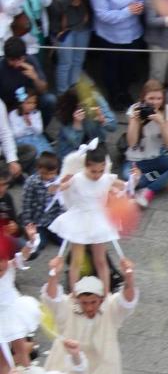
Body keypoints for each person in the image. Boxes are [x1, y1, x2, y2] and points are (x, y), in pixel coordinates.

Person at [48, 144, 132, 294]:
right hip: (79, 218)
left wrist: (134, 179)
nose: (97, 175)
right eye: (93, 171)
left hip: (98, 219)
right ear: (86, 166)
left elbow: (125, 186)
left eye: (101, 170)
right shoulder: (77, 178)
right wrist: (55, 185)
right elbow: (60, 187)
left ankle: (106, 294)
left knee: (101, 260)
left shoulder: (106, 178)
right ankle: (74, 294)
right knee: (77, 261)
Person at [124, 79, 168, 208]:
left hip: (158, 158)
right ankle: (167, 180)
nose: (155, 102)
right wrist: (135, 120)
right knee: (130, 178)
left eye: (159, 98)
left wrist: (161, 122)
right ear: (144, 98)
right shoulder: (135, 109)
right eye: (151, 98)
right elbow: (131, 143)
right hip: (135, 160)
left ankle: (148, 191)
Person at [90, 0, 145, 108]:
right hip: (110, 35)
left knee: (129, 65)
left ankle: (124, 91)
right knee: (111, 67)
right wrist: (128, 11)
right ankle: (114, 95)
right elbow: (102, 14)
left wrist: (140, 6)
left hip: (133, 32)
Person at [0, 232, 40, 374]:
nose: (0, 265)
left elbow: (24, 255)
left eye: (2, 260)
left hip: (13, 310)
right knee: (3, 360)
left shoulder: (11, 265)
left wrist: (30, 241)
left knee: (21, 349)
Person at [53, 86, 118, 160]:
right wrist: (77, 123)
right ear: (76, 106)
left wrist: (103, 120)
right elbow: (75, 144)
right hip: (70, 148)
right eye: (84, 105)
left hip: (96, 142)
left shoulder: (96, 98)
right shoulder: (66, 113)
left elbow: (114, 126)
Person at [0, 38, 53, 126]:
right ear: (6, 58)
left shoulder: (31, 61)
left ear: (24, 56)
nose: (17, 63)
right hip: (8, 103)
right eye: (12, 60)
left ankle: (40, 130)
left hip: (29, 100)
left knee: (49, 100)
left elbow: (43, 90)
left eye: (20, 59)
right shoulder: (1, 67)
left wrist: (35, 78)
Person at [19, 151, 63, 249]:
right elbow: (26, 203)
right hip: (37, 220)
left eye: (52, 173)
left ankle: (50, 233)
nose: (49, 177)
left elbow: (62, 204)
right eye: (45, 174)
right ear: (38, 169)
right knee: (39, 244)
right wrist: (28, 222)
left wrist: (62, 221)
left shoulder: (58, 181)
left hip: (53, 219)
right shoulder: (31, 182)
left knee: (62, 241)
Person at [49, 0, 92, 94]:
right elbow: (52, 6)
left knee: (78, 60)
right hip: (62, 29)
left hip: (83, 25)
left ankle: (73, 90)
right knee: (65, 63)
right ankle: (63, 95)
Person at [8, 87, 50, 156]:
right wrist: (25, 125)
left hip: (36, 138)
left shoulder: (36, 113)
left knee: (45, 153)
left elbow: (39, 131)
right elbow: (15, 134)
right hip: (21, 141)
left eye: (34, 103)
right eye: (28, 103)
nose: (32, 106)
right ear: (21, 103)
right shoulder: (13, 114)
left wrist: (30, 124)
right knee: (33, 155)